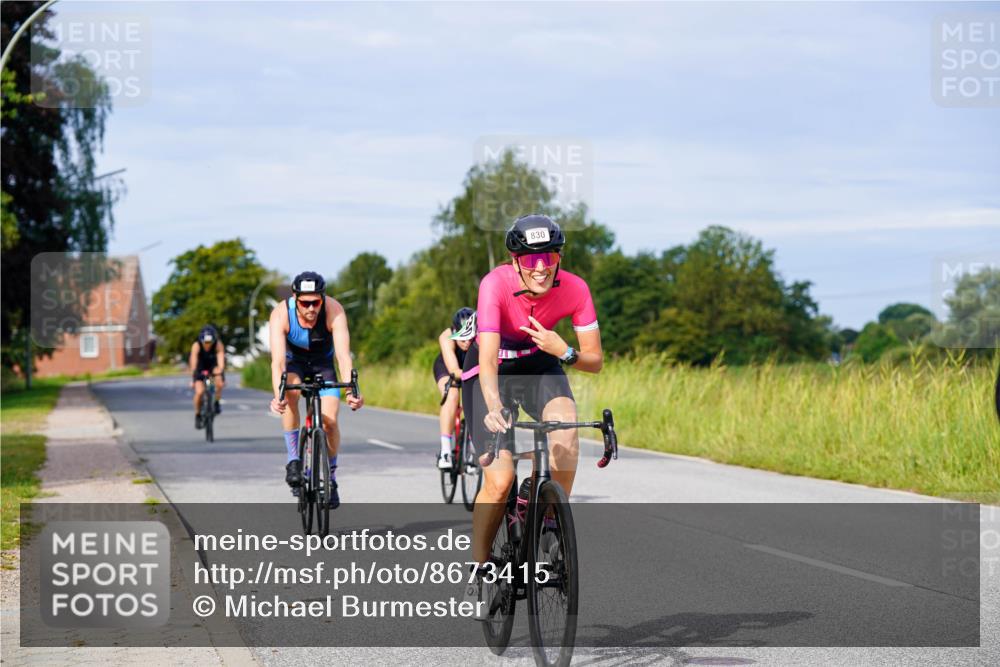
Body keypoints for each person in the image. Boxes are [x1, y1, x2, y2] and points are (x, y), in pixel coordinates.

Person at [460, 214, 604, 616]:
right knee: (501, 478)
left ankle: (551, 517)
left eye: (549, 256)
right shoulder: (496, 284)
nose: (540, 267)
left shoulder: (575, 288)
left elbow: (594, 360)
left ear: (559, 256)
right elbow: (487, 358)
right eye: (529, 259)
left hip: (541, 362)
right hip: (491, 372)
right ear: (514, 260)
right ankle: (481, 563)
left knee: (566, 435)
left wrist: (565, 351)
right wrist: (491, 406)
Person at [268, 271, 364, 508]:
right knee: (290, 393)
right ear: (295, 298)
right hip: (294, 362)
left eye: (316, 302)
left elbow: (343, 356)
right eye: (304, 303)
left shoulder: (334, 310)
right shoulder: (281, 314)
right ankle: (293, 460)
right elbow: (278, 361)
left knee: (329, 421)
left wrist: (352, 390)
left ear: (323, 298)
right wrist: (277, 394)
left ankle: (330, 478)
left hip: (323, 363)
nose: (311, 308)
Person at [433, 307, 476, 469]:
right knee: (452, 395)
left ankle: (472, 451)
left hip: (470, 367)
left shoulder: (482, 336)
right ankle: (445, 452)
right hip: (448, 367)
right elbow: (454, 371)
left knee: (476, 399)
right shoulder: (446, 337)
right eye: (462, 338)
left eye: (470, 338)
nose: (466, 343)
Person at [189, 325, 225, 429]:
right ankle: (198, 414)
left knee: (218, 383)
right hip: (200, 367)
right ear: (201, 340)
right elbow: (193, 362)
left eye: (210, 342)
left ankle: (216, 402)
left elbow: (221, 360)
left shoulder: (218, 344)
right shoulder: (196, 345)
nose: (208, 345)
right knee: (199, 392)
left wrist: (221, 372)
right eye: (206, 342)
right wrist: (194, 377)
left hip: (212, 366)